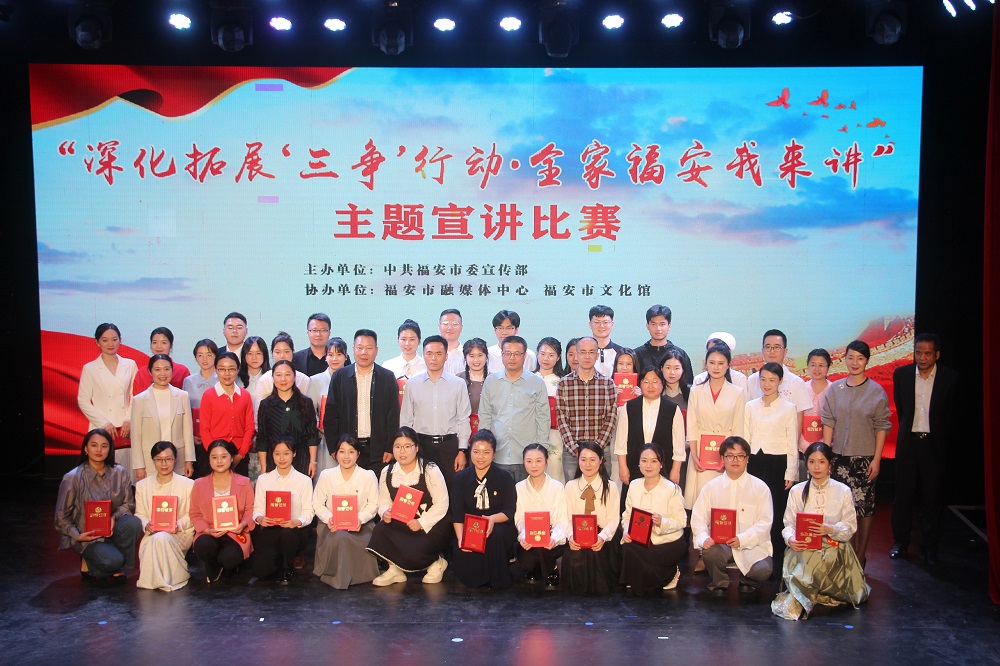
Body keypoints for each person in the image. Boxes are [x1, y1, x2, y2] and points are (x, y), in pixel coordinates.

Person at [771, 442, 870, 620]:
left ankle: (805, 597)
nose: (816, 467)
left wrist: (829, 529)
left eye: (822, 462)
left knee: (823, 558)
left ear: (830, 464)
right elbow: (788, 524)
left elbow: (850, 527)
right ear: (807, 464)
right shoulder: (797, 491)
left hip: (834, 545)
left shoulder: (843, 490)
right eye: (812, 462)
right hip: (803, 545)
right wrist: (791, 539)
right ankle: (804, 596)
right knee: (805, 556)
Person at [890, 333, 958, 565]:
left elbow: (950, 414)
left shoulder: (950, 378)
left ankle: (930, 548)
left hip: (934, 445)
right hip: (908, 443)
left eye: (927, 353)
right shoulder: (902, 375)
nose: (922, 357)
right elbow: (902, 409)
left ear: (937, 354)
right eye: (918, 352)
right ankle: (900, 542)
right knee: (903, 495)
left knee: (932, 498)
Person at [822, 339, 891, 568]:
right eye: (850, 357)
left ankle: (860, 555)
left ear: (867, 361)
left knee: (864, 508)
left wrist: (877, 459)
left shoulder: (876, 390)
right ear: (845, 359)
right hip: (839, 458)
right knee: (842, 509)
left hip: (865, 458)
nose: (854, 362)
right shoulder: (836, 389)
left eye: (860, 358)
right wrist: (826, 456)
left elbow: (882, 426)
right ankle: (846, 554)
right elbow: (828, 421)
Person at [366, 427, 452, 585]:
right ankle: (395, 569)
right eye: (397, 446)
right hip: (403, 521)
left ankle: (436, 563)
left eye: (407, 446)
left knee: (416, 547)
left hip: (431, 523)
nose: (402, 451)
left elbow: (442, 503)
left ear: (416, 448)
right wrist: (385, 512)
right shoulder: (387, 472)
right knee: (380, 530)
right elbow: (383, 501)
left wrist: (422, 522)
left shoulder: (430, 470)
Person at [691, 436, 773, 596]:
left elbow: (765, 523)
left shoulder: (760, 488)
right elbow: (698, 518)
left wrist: (743, 539)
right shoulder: (711, 488)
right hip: (721, 546)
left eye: (740, 456)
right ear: (722, 458)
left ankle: (748, 581)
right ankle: (719, 582)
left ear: (747, 459)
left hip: (752, 546)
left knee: (763, 570)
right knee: (710, 552)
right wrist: (703, 538)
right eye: (730, 456)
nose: (735, 460)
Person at [55, 428, 142, 579]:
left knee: (133, 522)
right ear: (86, 449)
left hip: (111, 530)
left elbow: (128, 504)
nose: (99, 450)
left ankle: (113, 561)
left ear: (110, 449)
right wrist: (77, 535)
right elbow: (60, 516)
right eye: (94, 445)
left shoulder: (120, 472)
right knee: (113, 561)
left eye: (104, 446)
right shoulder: (72, 478)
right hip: (86, 537)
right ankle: (95, 561)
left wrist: (113, 517)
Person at [324, 329, 400, 477]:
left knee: (377, 489)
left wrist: (390, 447)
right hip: (348, 450)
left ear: (376, 350)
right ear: (353, 350)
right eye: (360, 348)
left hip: (378, 451)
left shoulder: (387, 378)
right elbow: (331, 415)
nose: (364, 352)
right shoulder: (339, 377)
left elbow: (393, 416)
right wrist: (333, 447)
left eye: (369, 348)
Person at [744, 362, 799, 565]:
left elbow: (792, 442)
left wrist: (791, 472)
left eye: (772, 380)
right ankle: (752, 552)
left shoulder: (788, 408)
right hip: (755, 462)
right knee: (754, 508)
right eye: (763, 379)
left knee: (776, 508)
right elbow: (745, 437)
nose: (767, 384)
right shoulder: (750, 406)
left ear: (780, 381)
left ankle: (776, 556)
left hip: (778, 463)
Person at [400, 335, 472, 487]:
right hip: (421, 446)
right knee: (421, 490)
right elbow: (406, 420)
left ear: (446, 356)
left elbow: (463, 419)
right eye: (429, 353)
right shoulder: (412, 384)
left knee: (451, 490)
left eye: (439, 354)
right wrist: (407, 448)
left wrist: (462, 451)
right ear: (423, 355)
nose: (433, 358)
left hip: (449, 447)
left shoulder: (458, 384)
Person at [450, 429, 518, 589]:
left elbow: (509, 511)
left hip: (498, 525)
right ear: (470, 453)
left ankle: (496, 578)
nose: (480, 457)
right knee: (462, 551)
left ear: (494, 455)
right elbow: (457, 514)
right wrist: (461, 539)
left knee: (494, 535)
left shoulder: (504, 478)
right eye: (476, 452)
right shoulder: (460, 478)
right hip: (470, 527)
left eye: (486, 452)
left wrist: (492, 519)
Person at [479, 335, 550, 484]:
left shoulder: (536, 382)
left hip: (528, 456)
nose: (512, 357)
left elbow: (543, 419)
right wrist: (485, 450)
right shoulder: (491, 382)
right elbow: (485, 417)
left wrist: (542, 452)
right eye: (508, 353)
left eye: (517, 353)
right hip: (498, 454)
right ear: (502, 355)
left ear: (525, 356)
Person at [313, 434, 380, 589]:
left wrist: (360, 519)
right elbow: (317, 503)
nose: (346, 456)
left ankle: (358, 575)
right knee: (340, 537)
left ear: (358, 454)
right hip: (331, 526)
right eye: (342, 452)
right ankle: (338, 576)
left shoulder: (368, 476)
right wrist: (329, 518)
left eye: (351, 452)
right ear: (335, 454)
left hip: (361, 525)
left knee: (350, 537)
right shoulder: (326, 475)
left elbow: (373, 504)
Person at [619, 443, 687, 596]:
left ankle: (671, 573)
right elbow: (627, 516)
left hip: (667, 541)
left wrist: (662, 522)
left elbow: (682, 520)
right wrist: (626, 531)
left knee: (648, 563)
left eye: (654, 461)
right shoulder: (634, 485)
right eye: (644, 460)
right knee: (627, 547)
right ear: (638, 463)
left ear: (661, 464)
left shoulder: (672, 489)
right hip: (641, 540)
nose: (648, 465)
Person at [685, 344, 746, 511]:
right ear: (705, 364)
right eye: (712, 363)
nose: (716, 367)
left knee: (723, 503)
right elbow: (692, 425)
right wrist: (694, 455)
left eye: (721, 363)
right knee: (700, 502)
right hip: (700, 451)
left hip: (726, 450)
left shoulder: (737, 392)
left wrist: (732, 456)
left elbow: (738, 429)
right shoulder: (696, 391)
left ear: (728, 365)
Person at [77, 323, 138, 480]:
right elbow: (83, 400)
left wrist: (129, 419)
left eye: (114, 339)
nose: (110, 344)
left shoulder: (130, 365)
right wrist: (104, 423)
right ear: (97, 342)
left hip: (125, 428)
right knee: (102, 473)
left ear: (120, 340)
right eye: (105, 340)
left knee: (125, 474)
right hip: (101, 427)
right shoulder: (90, 368)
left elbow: (135, 396)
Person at [189, 440, 255, 582]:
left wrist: (243, 524)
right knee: (204, 546)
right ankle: (213, 565)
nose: (219, 461)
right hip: (210, 531)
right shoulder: (199, 484)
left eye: (224, 456)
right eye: (214, 457)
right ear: (209, 460)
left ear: (231, 458)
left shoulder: (244, 482)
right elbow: (195, 513)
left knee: (229, 558)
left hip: (235, 532)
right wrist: (207, 530)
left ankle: (228, 566)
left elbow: (251, 511)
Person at [556, 336, 618, 483]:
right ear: (576, 355)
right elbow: (562, 420)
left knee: (602, 492)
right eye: (583, 352)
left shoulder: (608, 384)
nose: (587, 356)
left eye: (591, 352)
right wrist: (576, 450)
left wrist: (595, 450)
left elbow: (611, 419)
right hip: (573, 452)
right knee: (573, 493)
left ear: (597, 355)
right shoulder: (564, 384)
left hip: (601, 451)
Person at [135, 441, 195, 591]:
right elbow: (139, 514)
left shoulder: (188, 484)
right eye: (159, 459)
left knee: (161, 538)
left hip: (180, 534)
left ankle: (170, 578)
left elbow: (192, 515)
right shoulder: (142, 486)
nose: (164, 464)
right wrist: (146, 524)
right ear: (153, 460)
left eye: (168, 459)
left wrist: (178, 525)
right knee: (157, 538)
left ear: (175, 459)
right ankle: (159, 579)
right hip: (152, 534)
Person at [561, 441, 621, 594]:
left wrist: (602, 537)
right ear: (578, 460)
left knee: (597, 554)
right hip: (577, 535)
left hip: (603, 535)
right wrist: (571, 536)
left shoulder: (610, 487)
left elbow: (613, 519)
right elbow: (566, 518)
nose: (588, 464)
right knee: (576, 554)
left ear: (601, 460)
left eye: (592, 459)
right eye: (583, 459)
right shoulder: (570, 486)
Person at [252, 438, 315, 583]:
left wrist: (296, 522)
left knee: (287, 535)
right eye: (277, 454)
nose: (282, 458)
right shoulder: (263, 479)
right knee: (261, 572)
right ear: (272, 455)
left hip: (294, 531)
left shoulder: (304, 480)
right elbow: (257, 509)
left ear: (294, 454)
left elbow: (308, 512)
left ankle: (288, 567)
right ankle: (278, 563)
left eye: (286, 453)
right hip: (270, 529)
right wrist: (260, 518)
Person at [614, 367, 684, 491]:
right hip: (634, 466)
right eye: (646, 381)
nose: (650, 386)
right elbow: (621, 442)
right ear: (640, 384)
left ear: (662, 384)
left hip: (664, 467)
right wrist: (623, 467)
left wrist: (676, 469)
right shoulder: (629, 407)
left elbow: (679, 444)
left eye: (655, 381)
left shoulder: (672, 409)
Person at [130, 354, 195, 479]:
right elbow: (136, 436)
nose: (162, 374)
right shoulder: (140, 400)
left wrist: (189, 460)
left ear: (172, 370)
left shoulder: (182, 396)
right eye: (157, 370)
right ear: (150, 372)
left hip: (178, 459)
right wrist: (139, 466)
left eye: (166, 369)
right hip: (149, 462)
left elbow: (187, 431)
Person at [514, 443, 569, 587]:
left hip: (552, 537)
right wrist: (524, 535)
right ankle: (538, 567)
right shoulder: (519, 488)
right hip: (530, 537)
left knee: (546, 547)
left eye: (538, 461)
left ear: (546, 462)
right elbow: (519, 519)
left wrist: (554, 537)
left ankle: (551, 569)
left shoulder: (557, 487)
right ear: (523, 462)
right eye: (529, 461)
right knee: (526, 559)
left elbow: (562, 520)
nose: (534, 465)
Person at [256, 360, 320, 477]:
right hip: (274, 460)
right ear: (272, 377)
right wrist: (264, 466)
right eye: (278, 375)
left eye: (287, 374)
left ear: (295, 377)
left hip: (302, 460)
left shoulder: (306, 402)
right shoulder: (266, 404)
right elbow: (262, 437)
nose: (283, 379)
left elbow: (312, 435)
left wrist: (313, 462)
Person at [198, 352, 255, 477]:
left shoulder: (245, 395)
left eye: (231, 369)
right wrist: (214, 455)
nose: (227, 373)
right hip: (215, 455)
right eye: (222, 369)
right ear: (216, 370)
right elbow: (204, 429)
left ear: (238, 370)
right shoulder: (209, 395)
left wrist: (240, 454)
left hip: (239, 454)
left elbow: (249, 427)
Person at [745, 330, 813, 425]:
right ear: (762, 351)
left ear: (785, 351)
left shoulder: (797, 383)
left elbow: (798, 421)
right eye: (768, 347)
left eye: (777, 347)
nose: (772, 351)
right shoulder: (752, 380)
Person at [308, 337, 350, 476]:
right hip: (323, 438)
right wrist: (319, 424)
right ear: (325, 357)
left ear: (346, 356)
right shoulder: (315, 380)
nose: (334, 359)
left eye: (339, 354)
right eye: (330, 354)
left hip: (348, 437)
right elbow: (309, 410)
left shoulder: (353, 379)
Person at [632, 305, 694, 388]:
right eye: (653, 324)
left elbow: (688, 385)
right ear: (647, 325)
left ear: (669, 326)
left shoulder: (680, 354)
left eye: (662, 324)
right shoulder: (637, 354)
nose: (658, 328)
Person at [535, 337, 566, 482]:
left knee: (555, 472)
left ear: (558, 357)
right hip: (531, 433)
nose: (546, 358)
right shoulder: (528, 378)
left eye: (551, 355)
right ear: (537, 354)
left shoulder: (563, 382)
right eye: (542, 354)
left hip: (555, 435)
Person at [255, 332, 311, 411]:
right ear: (272, 353)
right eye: (277, 352)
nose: (282, 356)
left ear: (292, 352)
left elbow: (309, 410)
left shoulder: (304, 380)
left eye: (286, 351)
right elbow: (259, 412)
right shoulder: (264, 380)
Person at [800, 349, 832, 478]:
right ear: (807, 366)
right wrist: (805, 446)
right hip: (802, 449)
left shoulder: (834, 390)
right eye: (813, 365)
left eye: (821, 365)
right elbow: (796, 420)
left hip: (827, 448)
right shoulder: (801, 388)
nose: (817, 369)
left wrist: (823, 446)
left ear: (828, 367)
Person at [182, 339, 218, 451]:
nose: (205, 359)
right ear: (196, 358)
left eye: (209, 355)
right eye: (200, 355)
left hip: (218, 435)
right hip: (196, 436)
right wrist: (191, 435)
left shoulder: (223, 379)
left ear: (216, 356)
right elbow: (185, 411)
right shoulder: (188, 381)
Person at [132, 327, 191, 394]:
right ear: (151, 345)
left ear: (171, 345)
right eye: (155, 342)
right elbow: (137, 397)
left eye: (164, 343)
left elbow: (187, 397)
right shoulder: (142, 372)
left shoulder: (182, 371)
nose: (159, 346)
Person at [457, 337, 489, 435]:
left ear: (486, 356)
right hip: (462, 431)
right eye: (471, 356)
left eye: (480, 355)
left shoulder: (493, 380)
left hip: (488, 431)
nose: (476, 360)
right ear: (465, 357)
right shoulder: (458, 379)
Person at [588, 305, 624, 378]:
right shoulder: (584, 352)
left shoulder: (621, 352)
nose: (601, 326)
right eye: (597, 322)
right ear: (590, 324)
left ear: (612, 324)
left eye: (605, 322)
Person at [293, 313, 332, 377]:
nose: (318, 334)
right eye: (314, 330)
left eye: (323, 330)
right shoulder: (296, 358)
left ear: (329, 333)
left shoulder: (340, 358)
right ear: (308, 333)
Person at [439, 309, 467, 375]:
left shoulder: (467, 355)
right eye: (445, 323)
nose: (450, 328)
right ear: (439, 327)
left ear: (461, 328)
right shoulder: (431, 355)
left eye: (455, 324)